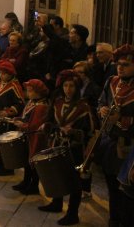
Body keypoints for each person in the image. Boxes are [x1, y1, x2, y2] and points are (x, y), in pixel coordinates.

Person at [38, 70, 95, 226]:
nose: (68, 89)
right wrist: (47, 125)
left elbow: (88, 132)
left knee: (74, 180)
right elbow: (50, 121)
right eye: (65, 85)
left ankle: (72, 213)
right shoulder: (57, 102)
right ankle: (56, 203)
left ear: (77, 88)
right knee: (57, 175)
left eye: (72, 86)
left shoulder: (83, 106)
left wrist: (73, 132)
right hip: (57, 144)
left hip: (74, 149)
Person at [95, 44, 134, 226]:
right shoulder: (112, 81)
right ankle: (114, 218)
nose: (120, 67)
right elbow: (101, 101)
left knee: (127, 189)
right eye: (119, 64)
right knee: (111, 185)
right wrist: (101, 110)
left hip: (128, 145)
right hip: (109, 142)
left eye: (125, 64)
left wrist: (122, 119)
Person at [0, 60, 25, 176]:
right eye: (0, 73)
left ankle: (9, 167)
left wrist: (7, 112)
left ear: (11, 74)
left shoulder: (15, 86)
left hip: (9, 120)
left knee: (7, 143)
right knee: (1, 142)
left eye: (4, 73)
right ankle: (2, 161)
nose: (1, 75)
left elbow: (20, 103)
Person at [11, 79, 50, 195]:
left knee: (33, 162)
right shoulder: (32, 102)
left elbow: (35, 125)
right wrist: (19, 119)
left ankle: (34, 185)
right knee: (27, 161)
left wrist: (22, 125)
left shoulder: (42, 106)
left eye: (29, 91)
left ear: (38, 92)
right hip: (28, 136)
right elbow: (26, 116)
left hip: (35, 138)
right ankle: (26, 181)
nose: (27, 93)